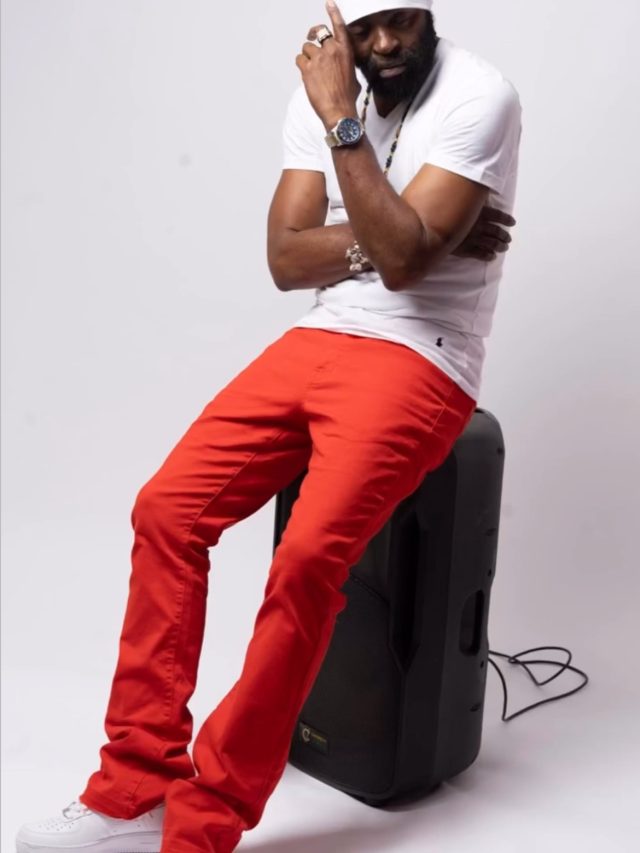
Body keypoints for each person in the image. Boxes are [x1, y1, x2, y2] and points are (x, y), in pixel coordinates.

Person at [15, 1, 522, 851]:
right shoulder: (318, 89)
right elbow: (287, 259)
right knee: (167, 510)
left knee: (307, 560)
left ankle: (204, 822)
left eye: (401, 22)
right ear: (339, 27)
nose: (385, 44)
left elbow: (406, 264)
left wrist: (348, 138)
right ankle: (134, 788)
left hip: (423, 357)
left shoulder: (480, 94)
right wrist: (392, 226)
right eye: (365, 29)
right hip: (321, 337)